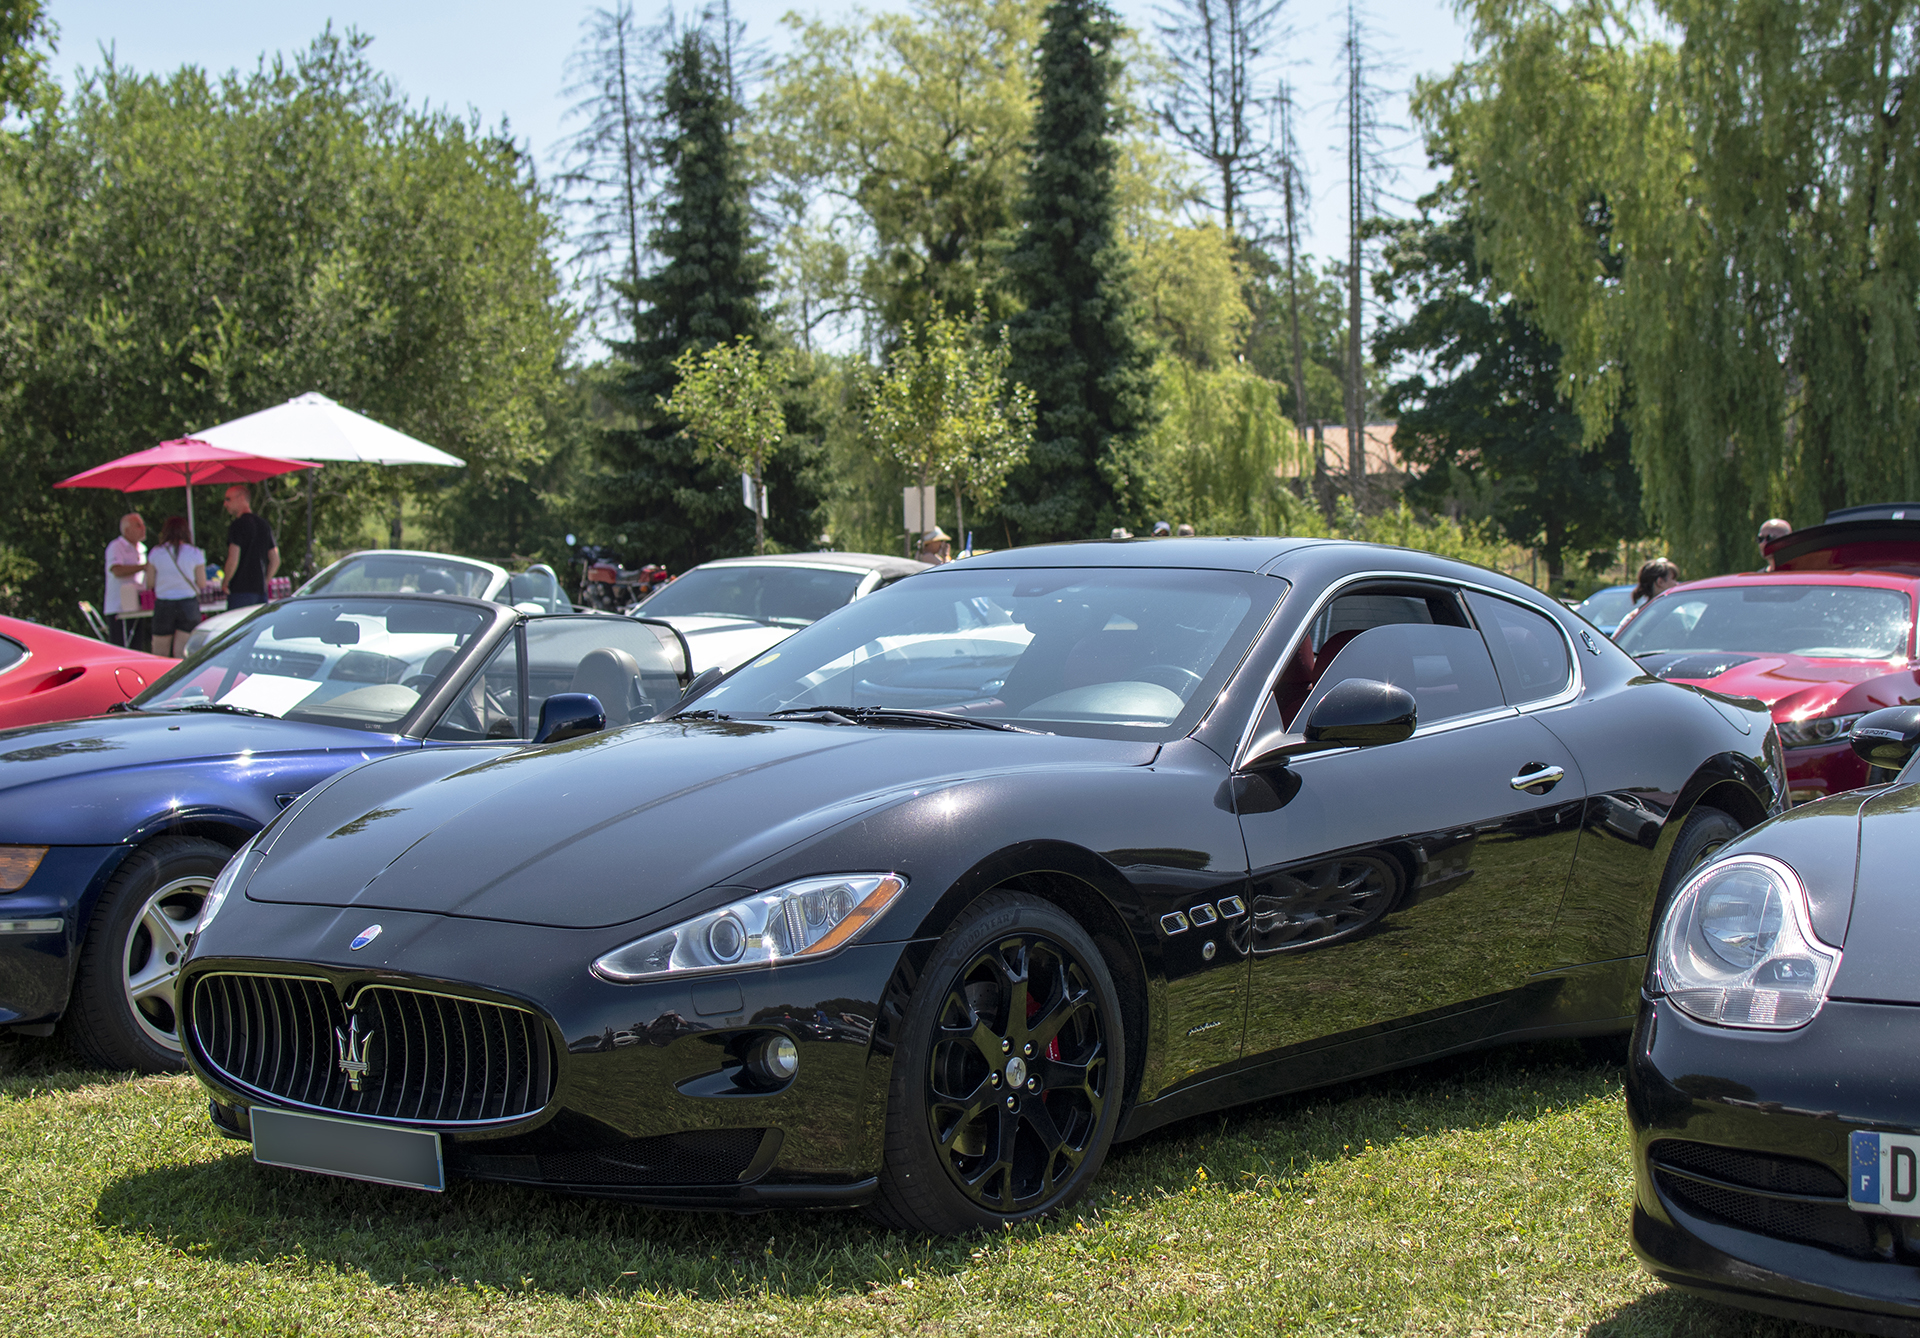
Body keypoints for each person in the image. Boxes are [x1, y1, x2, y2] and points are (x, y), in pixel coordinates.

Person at [147, 515, 207, 658]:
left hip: (164, 605)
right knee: (183, 654)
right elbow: (202, 583)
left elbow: (149, 583)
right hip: (188, 605)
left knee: (160, 654)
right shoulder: (194, 552)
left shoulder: (156, 552)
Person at [222, 483, 279, 609]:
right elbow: (275, 559)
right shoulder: (264, 524)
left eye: (228, 499)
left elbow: (233, 558)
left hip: (240, 591)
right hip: (260, 592)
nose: (225, 504)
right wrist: (265, 581)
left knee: (239, 628)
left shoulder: (238, 525)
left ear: (241, 498)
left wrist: (225, 582)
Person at [103, 512, 151, 651]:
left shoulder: (142, 548)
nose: (143, 528)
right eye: (138, 525)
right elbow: (116, 570)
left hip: (136, 606)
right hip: (120, 608)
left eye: (143, 525)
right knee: (122, 650)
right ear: (126, 530)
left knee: (137, 648)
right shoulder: (116, 546)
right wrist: (142, 567)